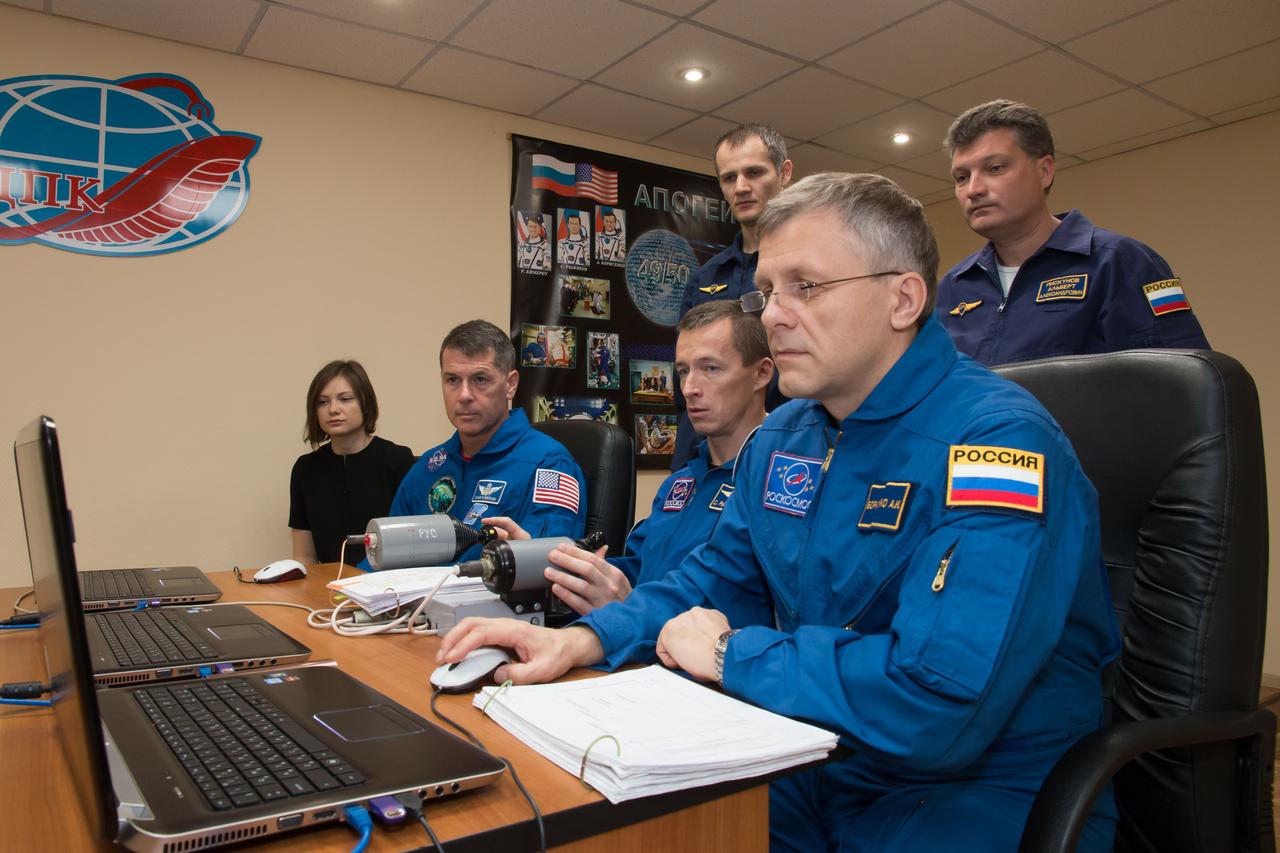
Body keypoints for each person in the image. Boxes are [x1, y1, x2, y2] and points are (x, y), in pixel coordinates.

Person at [440, 173, 1120, 852]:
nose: (772, 315)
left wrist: (734, 654)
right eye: (766, 291)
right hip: (820, 754)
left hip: (978, 790)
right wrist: (583, 639)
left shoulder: (996, 444)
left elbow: (940, 699)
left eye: (807, 287)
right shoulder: (786, 434)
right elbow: (714, 580)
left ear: (903, 298)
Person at [487, 300, 776, 616]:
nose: (690, 388)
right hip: (638, 648)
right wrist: (544, 562)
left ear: (761, 374)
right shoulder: (681, 484)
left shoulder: (775, 485)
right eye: (682, 371)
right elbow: (634, 571)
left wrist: (632, 606)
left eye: (711, 368)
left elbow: (747, 612)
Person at [938, 99, 1209, 365]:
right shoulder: (951, 289)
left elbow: (1182, 388)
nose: (973, 189)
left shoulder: (1121, 263)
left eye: (994, 168)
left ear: (1044, 171)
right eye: (961, 177)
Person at [362, 320, 587, 568]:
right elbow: (382, 557)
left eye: (480, 379)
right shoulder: (429, 466)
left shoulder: (550, 465)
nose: (464, 395)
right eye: (452, 380)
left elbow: (549, 565)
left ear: (510, 385)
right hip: (415, 604)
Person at [672, 123, 792, 469]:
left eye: (754, 172)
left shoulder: (812, 267)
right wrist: (683, 469)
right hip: (708, 458)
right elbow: (687, 381)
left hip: (786, 449)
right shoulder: (706, 278)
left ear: (784, 173)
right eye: (729, 178)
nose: (741, 187)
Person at [289, 360, 414, 565]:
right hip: (327, 587)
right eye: (322, 402)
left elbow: (410, 545)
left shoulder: (398, 459)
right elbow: (304, 556)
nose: (333, 409)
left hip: (386, 584)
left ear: (365, 404)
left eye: (345, 399)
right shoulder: (305, 469)